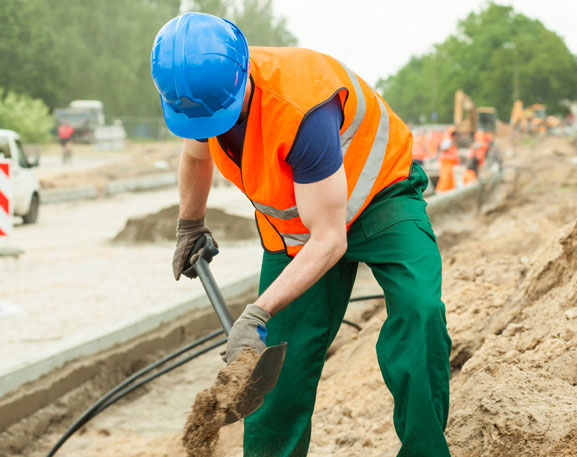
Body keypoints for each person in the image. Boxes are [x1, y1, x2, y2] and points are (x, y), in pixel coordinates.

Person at [150, 13, 452, 457]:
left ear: (243, 79)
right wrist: (190, 225)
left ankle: (425, 451)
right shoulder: (204, 96)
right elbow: (197, 157)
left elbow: (330, 239)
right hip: (294, 231)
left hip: (382, 199)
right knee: (277, 367)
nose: (208, 128)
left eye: (216, 117)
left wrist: (255, 311)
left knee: (419, 313)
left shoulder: (300, 108)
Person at [435, 127, 458, 193]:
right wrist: (451, 143)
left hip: (449, 162)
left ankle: (449, 190)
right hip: (445, 162)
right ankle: (441, 190)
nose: (455, 136)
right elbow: (444, 148)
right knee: (445, 177)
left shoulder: (451, 141)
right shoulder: (447, 140)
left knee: (449, 177)